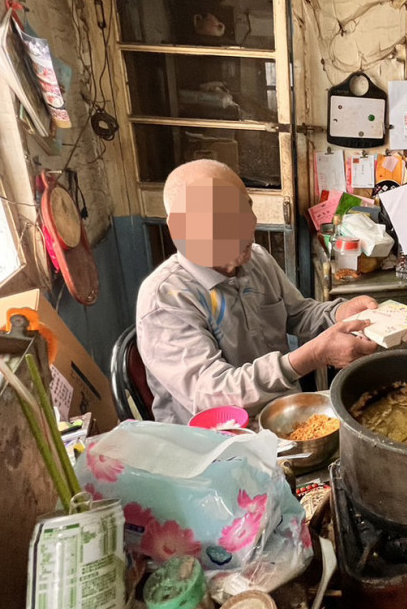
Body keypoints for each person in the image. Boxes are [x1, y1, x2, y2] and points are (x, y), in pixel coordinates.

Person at [137, 159, 379, 424]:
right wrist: (311, 357)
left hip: (281, 414)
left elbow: (299, 313)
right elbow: (212, 397)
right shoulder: (165, 299)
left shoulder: (257, 260)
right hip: (217, 442)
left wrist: (340, 312)